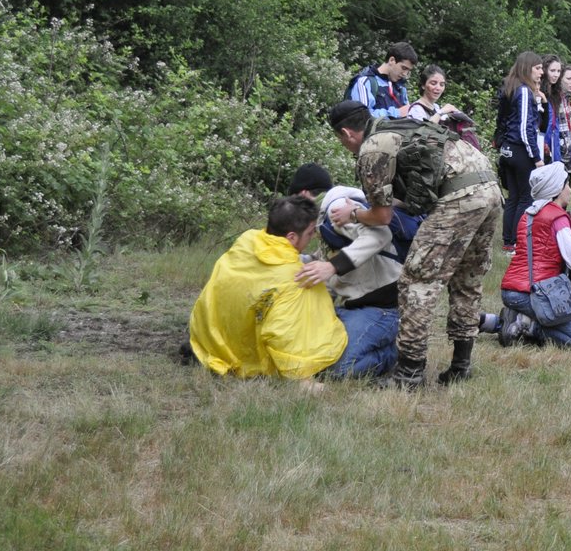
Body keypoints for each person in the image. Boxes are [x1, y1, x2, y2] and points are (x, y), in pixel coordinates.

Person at [328, 99, 503, 388]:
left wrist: (353, 213)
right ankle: (461, 366)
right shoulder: (400, 127)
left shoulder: (373, 148)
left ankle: (408, 374)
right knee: (466, 278)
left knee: (416, 282)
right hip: (489, 186)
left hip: (459, 197)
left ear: (347, 133)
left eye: (341, 140)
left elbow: (382, 216)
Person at [188, 195, 347, 380]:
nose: (313, 238)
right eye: (310, 233)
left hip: (210, 340)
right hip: (250, 355)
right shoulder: (296, 277)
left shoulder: (247, 241)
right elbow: (284, 333)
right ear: (292, 237)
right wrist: (301, 375)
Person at [295, 183, 416, 379]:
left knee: (339, 370)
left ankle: (394, 353)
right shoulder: (324, 224)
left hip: (380, 310)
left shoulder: (333, 214)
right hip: (349, 307)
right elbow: (328, 260)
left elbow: (381, 235)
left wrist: (332, 267)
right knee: (312, 358)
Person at [498, 162, 571, 348]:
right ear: (557, 188)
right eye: (567, 184)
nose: (569, 189)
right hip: (534, 293)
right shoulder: (558, 217)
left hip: (510, 289)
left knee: (553, 321)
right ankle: (526, 325)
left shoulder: (528, 214)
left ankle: (501, 321)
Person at [495, 51, 547, 252]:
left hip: (507, 150)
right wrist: (536, 157)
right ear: (527, 68)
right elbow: (526, 128)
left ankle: (508, 242)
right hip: (520, 151)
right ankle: (517, 243)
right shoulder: (524, 91)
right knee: (525, 198)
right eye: (538, 68)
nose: (541, 72)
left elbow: (504, 121)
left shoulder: (511, 87)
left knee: (513, 197)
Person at [347, 41, 416, 119]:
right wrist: (396, 113)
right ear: (392, 60)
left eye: (408, 70)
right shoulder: (366, 82)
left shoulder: (400, 87)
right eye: (403, 68)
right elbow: (362, 117)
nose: (405, 74)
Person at [558, 64, 571, 172]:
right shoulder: (555, 100)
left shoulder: (567, 100)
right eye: (569, 78)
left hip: (567, 157)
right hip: (558, 158)